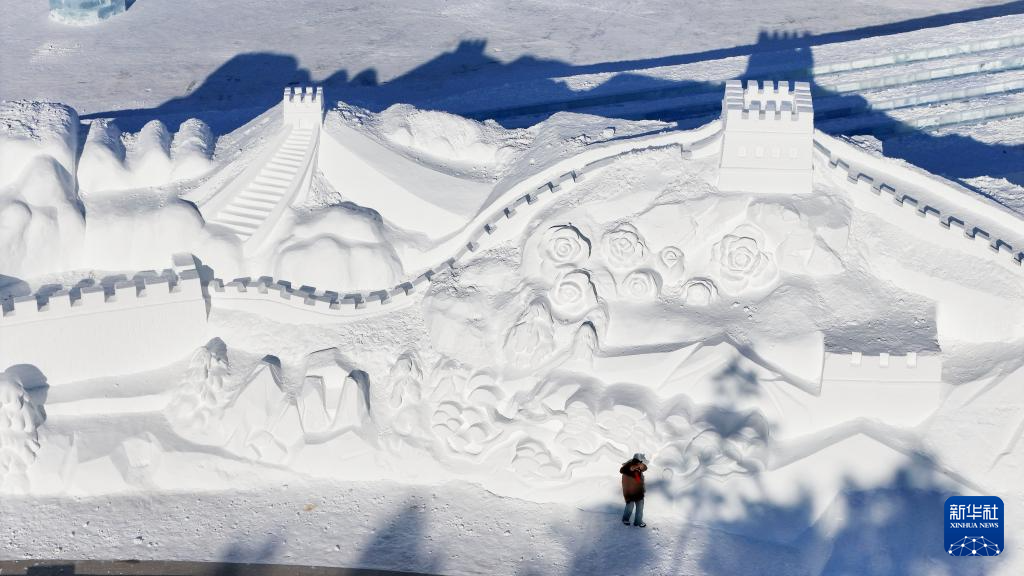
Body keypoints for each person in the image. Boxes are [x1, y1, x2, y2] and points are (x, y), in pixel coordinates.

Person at [620, 452, 648, 527]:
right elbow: (622, 470)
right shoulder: (628, 466)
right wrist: (633, 467)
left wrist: (641, 466)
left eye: (641, 462)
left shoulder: (638, 468)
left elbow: (645, 468)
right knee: (630, 506)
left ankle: (638, 522)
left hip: (639, 491)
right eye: (639, 462)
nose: (640, 463)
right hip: (629, 491)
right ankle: (625, 519)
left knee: (640, 506)